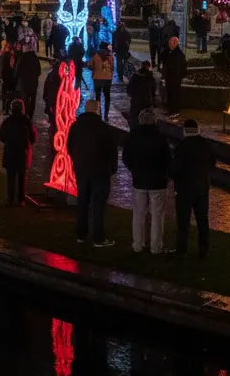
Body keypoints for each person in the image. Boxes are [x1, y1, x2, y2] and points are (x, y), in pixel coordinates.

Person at [66, 99, 117, 247]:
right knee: (98, 204)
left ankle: (81, 234)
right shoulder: (103, 128)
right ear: (97, 110)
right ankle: (98, 237)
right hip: (100, 171)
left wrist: (77, 161)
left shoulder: (76, 126)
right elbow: (111, 150)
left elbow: (70, 147)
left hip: (82, 170)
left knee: (83, 201)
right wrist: (112, 167)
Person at [121, 109, 171, 254]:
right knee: (157, 215)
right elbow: (167, 160)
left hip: (139, 181)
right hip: (158, 182)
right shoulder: (161, 138)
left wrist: (134, 169)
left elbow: (126, 157)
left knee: (138, 214)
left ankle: (138, 244)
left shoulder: (133, 136)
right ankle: (156, 247)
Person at [171, 119, 216, 257]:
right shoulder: (207, 145)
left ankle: (181, 249)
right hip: (202, 188)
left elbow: (174, 169)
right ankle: (204, 248)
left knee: (183, 221)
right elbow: (212, 164)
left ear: (185, 131)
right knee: (202, 219)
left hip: (185, 189)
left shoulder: (181, 146)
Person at [0, 98, 37, 206]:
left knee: (10, 176)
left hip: (10, 151)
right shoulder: (26, 121)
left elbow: (1, 136)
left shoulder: (8, 121)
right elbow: (33, 137)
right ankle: (21, 200)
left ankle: (10, 199)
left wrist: (9, 141)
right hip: (22, 152)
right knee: (22, 177)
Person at [126, 61, 157, 127]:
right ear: (149, 67)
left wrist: (133, 95)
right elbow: (154, 91)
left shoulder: (134, 77)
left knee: (134, 120)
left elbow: (128, 90)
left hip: (135, 102)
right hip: (147, 102)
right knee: (147, 120)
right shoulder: (151, 78)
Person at [89, 43, 115, 120]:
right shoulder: (110, 57)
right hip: (107, 79)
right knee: (107, 97)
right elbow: (112, 68)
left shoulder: (95, 56)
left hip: (97, 79)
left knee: (98, 96)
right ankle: (106, 115)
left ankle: (99, 113)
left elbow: (90, 66)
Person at [163, 36, 187, 116]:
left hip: (175, 77)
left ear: (175, 44)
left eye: (170, 43)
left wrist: (182, 76)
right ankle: (171, 110)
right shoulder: (168, 51)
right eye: (169, 43)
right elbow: (163, 57)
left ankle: (174, 110)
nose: (169, 45)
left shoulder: (179, 54)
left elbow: (183, 66)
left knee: (174, 94)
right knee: (170, 93)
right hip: (170, 77)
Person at [16, 43, 41, 119]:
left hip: (24, 83)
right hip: (33, 83)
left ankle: (25, 112)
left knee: (25, 98)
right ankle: (31, 114)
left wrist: (18, 78)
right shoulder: (35, 58)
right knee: (33, 98)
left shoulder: (22, 57)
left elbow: (17, 70)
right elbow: (39, 71)